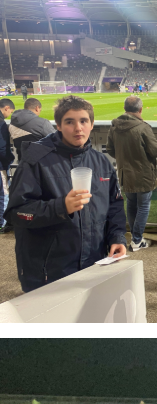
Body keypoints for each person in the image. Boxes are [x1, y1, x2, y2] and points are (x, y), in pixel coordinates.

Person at [5, 98, 127, 294]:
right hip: (48, 271)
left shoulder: (101, 162)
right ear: (59, 126)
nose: (78, 128)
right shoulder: (35, 161)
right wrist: (61, 207)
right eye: (70, 122)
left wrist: (117, 237)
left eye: (83, 121)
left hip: (93, 264)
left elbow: (114, 206)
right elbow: (17, 213)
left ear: (92, 124)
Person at [106, 95, 157, 252]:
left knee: (131, 204)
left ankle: (136, 238)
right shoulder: (143, 128)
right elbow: (155, 151)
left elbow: (110, 149)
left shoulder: (114, 127)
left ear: (125, 109)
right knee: (143, 206)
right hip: (143, 174)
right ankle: (136, 240)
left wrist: (123, 158)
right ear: (141, 109)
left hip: (125, 174)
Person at [0, 99, 14, 235]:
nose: (9, 114)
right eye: (10, 111)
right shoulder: (1, 123)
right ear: (6, 108)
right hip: (0, 166)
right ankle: (2, 224)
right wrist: (9, 160)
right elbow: (2, 148)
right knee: (3, 194)